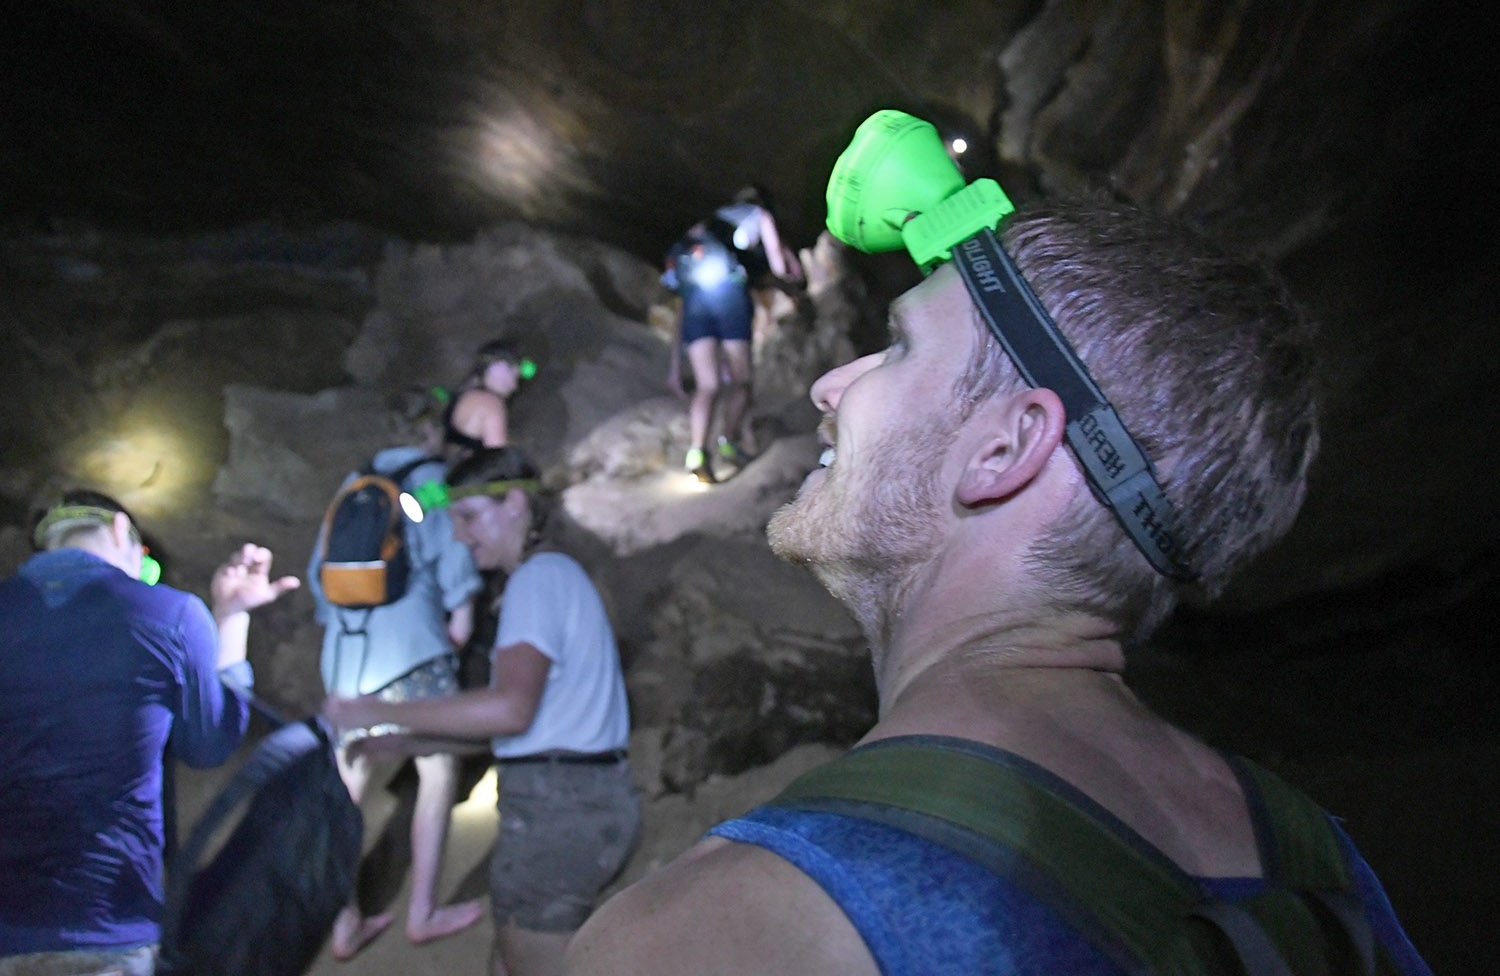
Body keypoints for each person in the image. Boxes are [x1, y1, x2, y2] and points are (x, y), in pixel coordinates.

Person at [567, 199, 1433, 974]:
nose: (832, 385)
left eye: (900, 348)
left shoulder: (720, 933)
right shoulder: (1318, 864)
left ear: (1003, 451)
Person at [324, 446, 639, 976]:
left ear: (515, 503)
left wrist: (372, 709)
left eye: (468, 517)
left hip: (559, 812)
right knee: (507, 961)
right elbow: (522, 728)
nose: (459, 536)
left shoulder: (537, 580)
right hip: (579, 801)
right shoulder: (551, 577)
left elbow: (510, 709)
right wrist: (401, 743)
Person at [0, 490, 299, 976]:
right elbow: (210, 745)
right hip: (111, 920)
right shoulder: (170, 615)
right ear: (122, 532)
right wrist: (232, 616)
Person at [307, 400, 487, 959]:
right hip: (413, 656)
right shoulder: (430, 482)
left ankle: (343, 923)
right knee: (437, 775)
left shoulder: (353, 484)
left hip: (347, 660)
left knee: (347, 789)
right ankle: (424, 912)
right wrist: (461, 611)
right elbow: (452, 558)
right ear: (431, 433)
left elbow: (321, 578)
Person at [663, 189, 802, 483]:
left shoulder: (704, 227)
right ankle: (729, 442)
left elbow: (681, 290)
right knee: (742, 381)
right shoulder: (758, 215)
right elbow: (777, 264)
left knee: (707, 385)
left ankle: (697, 452)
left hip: (695, 302)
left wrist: (674, 368)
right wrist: (790, 282)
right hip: (729, 296)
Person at [443, 340, 530, 457]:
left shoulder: (464, 391)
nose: (514, 386)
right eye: (511, 371)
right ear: (495, 367)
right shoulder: (491, 404)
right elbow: (499, 457)